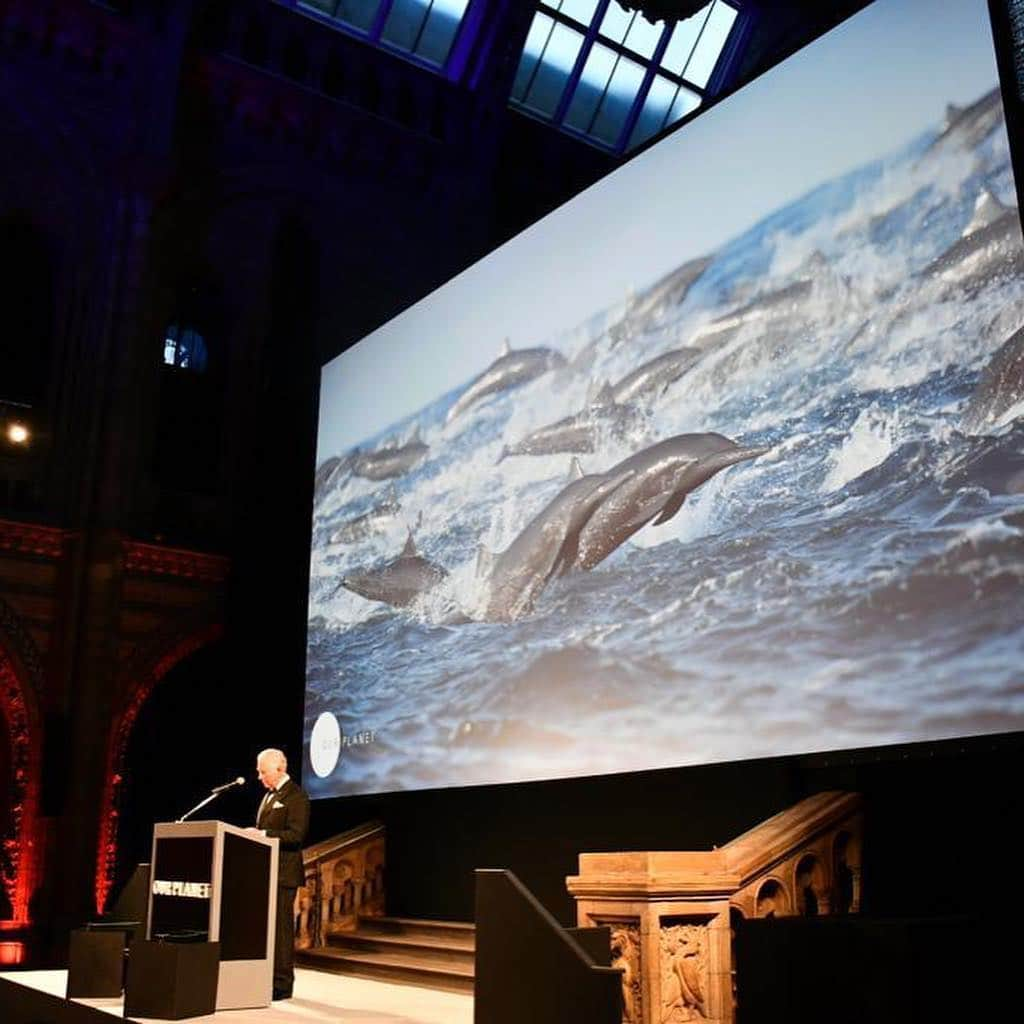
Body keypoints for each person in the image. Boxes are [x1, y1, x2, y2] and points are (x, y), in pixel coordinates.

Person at [252, 748, 309, 1001]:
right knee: (267, 930)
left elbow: (296, 835)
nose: (259, 776)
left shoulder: (296, 796)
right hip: (265, 871)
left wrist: (262, 835)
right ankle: (266, 977)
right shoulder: (267, 796)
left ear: (280, 769)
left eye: (262, 771)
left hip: (284, 874)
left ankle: (282, 984)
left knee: (282, 931)